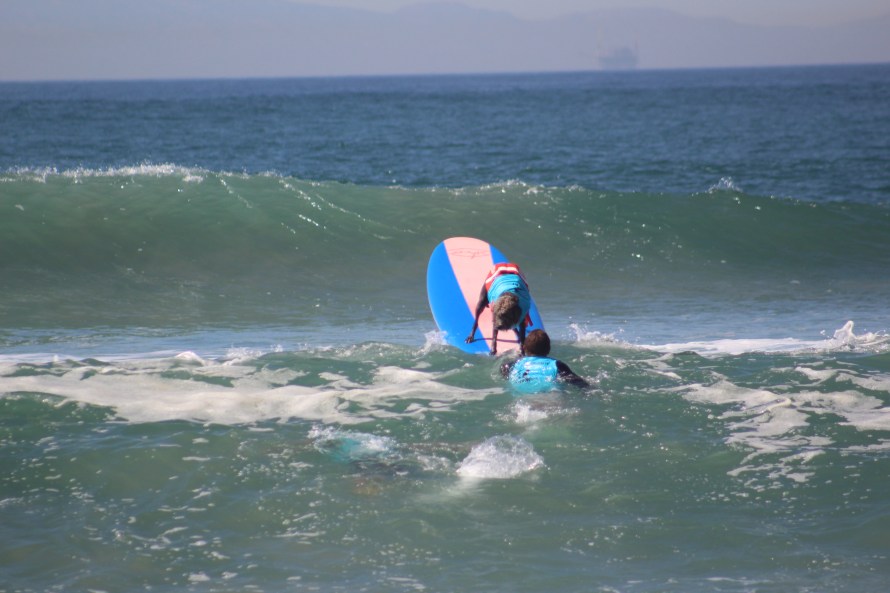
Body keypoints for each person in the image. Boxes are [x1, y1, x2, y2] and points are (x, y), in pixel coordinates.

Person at [465, 261, 533, 355]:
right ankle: (473, 330)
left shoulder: (524, 304)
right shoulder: (495, 301)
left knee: (521, 322)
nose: (499, 325)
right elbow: (496, 321)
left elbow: (523, 324)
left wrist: (522, 346)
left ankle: (519, 341)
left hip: (516, 279)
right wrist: (493, 347)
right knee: (480, 305)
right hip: (496, 279)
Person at [501, 329, 589, 393]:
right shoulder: (556, 365)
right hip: (550, 397)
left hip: (522, 399)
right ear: (549, 349)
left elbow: (504, 370)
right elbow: (580, 383)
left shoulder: (515, 364)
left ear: (524, 348)